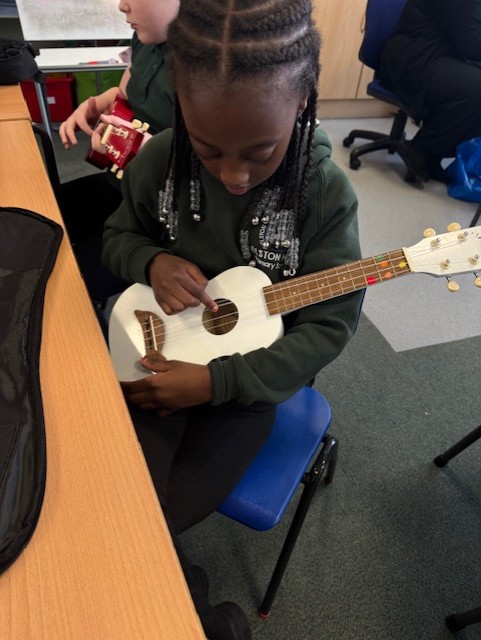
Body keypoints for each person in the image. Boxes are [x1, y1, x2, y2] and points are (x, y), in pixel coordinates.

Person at [102, 0, 363, 637]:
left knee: (150, 523)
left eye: (260, 151)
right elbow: (116, 237)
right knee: (116, 509)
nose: (235, 174)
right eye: (208, 149)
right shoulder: (160, 160)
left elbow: (329, 327)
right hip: (157, 360)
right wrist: (150, 260)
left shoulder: (326, 195)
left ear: (302, 102)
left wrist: (219, 383)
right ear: (182, 108)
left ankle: (207, 619)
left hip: (247, 392)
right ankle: (205, 617)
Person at [56, 0, 179, 310]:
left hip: (160, 217)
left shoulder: (210, 67)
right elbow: (125, 95)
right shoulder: (146, 38)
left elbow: (212, 169)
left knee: (69, 286)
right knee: (42, 214)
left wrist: (132, 148)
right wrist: (97, 104)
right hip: (121, 186)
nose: (122, 5)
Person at [378, 0, 481, 183]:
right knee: (477, 88)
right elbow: (471, 44)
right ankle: (422, 148)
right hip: (414, 57)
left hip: (440, 54)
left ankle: (434, 155)